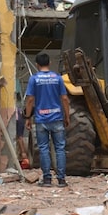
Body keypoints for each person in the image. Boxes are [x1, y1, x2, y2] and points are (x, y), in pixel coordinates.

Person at [24, 52, 70, 187]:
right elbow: (65, 99)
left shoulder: (34, 79)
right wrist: (67, 116)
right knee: (60, 149)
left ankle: (47, 179)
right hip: (57, 118)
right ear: (49, 63)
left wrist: (27, 117)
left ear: (37, 65)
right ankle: (61, 180)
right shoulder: (58, 78)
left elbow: (30, 99)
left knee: (44, 149)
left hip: (41, 120)